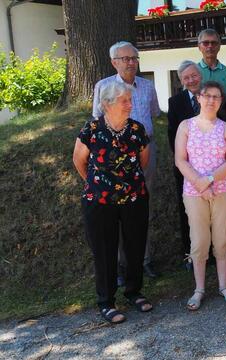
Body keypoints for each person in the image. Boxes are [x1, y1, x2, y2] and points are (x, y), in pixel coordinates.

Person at [74, 81, 153, 324]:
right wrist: (97, 185)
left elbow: (144, 160)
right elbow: (79, 161)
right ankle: (106, 302)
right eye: (124, 101)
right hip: (99, 201)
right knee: (104, 250)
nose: (130, 104)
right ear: (107, 104)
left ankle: (134, 292)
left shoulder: (137, 129)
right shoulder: (92, 129)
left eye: (130, 100)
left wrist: (128, 184)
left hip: (134, 198)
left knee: (135, 246)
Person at [92, 41, 161, 281]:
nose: (131, 63)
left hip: (145, 150)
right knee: (117, 209)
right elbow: (98, 120)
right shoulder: (103, 86)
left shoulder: (148, 86)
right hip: (115, 156)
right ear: (114, 62)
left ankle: (144, 260)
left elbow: (154, 114)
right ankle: (122, 265)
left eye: (134, 58)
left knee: (143, 207)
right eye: (125, 59)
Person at [174, 81, 226, 309]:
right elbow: (180, 159)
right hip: (194, 192)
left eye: (216, 97)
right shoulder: (186, 126)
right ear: (199, 98)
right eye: (207, 95)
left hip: (223, 189)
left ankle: (223, 286)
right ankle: (199, 289)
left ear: (221, 101)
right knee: (199, 241)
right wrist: (200, 183)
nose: (211, 100)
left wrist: (209, 179)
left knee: (222, 239)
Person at [168, 60, 202, 270]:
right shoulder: (176, 102)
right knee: (187, 211)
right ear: (181, 81)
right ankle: (190, 253)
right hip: (187, 167)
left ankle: (213, 252)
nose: (191, 80)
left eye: (194, 75)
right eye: (186, 78)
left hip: (213, 167)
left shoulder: (213, 95)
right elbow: (173, 135)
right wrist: (186, 164)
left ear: (200, 75)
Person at [197, 28, 226, 122]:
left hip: (224, 124)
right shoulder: (193, 72)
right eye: (206, 43)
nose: (210, 46)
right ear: (199, 47)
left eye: (214, 43)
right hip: (198, 125)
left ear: (219, 46)